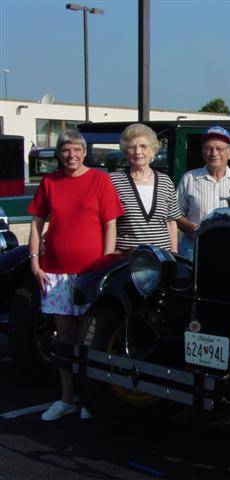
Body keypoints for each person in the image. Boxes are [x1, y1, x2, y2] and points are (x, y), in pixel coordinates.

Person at [28, 130, 124, 421]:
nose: (71, 155)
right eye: (66, 150)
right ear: (59, 154)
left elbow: (110, 224)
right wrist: (35, 262)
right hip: (56, 272)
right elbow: (36, 223)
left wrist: (105, 264)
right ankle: (67, 397)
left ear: (85, 153)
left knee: (90, 337)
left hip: (90, 274)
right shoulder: (49, 183)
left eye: (77, 150)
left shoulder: (99, 180)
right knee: (65, 336)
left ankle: (89, 397)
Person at [176, 126, 230, 259]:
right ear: (203, 152)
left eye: (219, 149)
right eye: (209, 148)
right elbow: (176, 214)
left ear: (229, 153)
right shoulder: (189, 178)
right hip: (194, 248)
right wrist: (194, 229)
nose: (214, 153)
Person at [109, 124, 180, 252]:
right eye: (132, 147)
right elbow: (110, 223)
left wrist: (174, 255)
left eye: (143, 146)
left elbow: (171, 222)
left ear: (153, 151)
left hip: (161, 259)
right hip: (127, 260)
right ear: (125, 152)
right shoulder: (113, 181)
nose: (138, 152)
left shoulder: (165, 181)